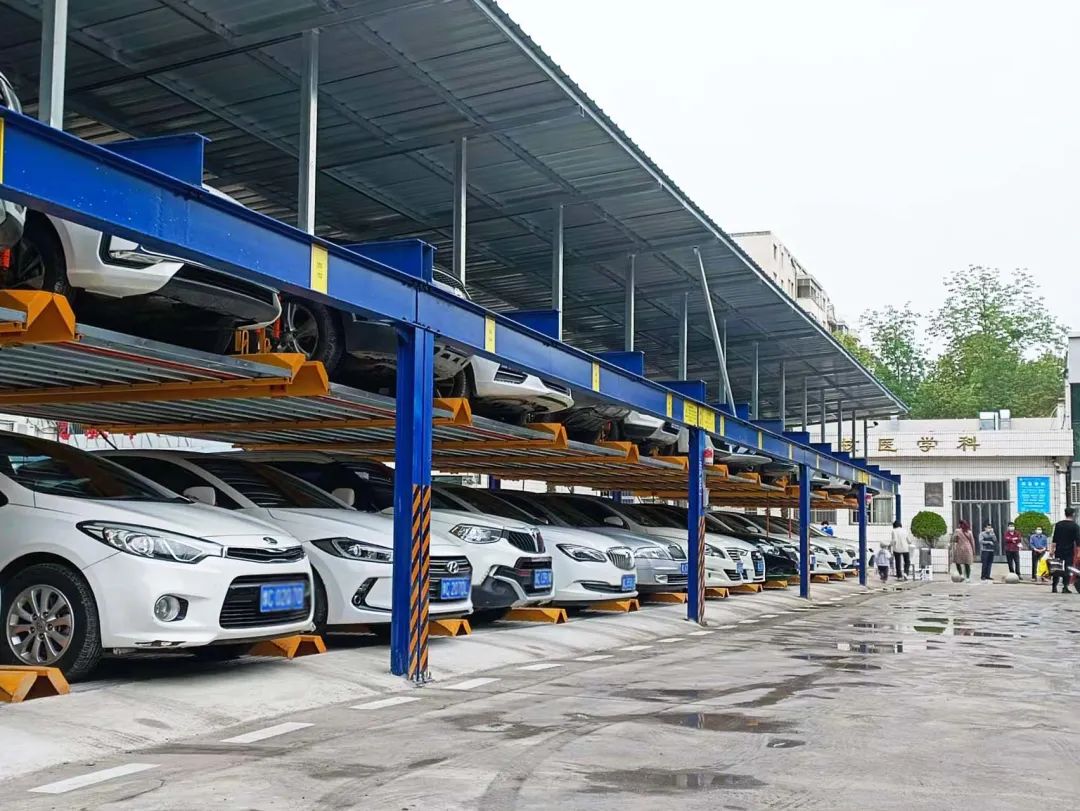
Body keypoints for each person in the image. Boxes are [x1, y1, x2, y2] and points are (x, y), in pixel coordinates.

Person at [1050, 507, 1080, 594]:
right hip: (1069, 551)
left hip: (1059, 550)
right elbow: (1078, 542)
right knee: (1067, 568)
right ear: (1073, 514)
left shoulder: (1058, 525)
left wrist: (1052, 550)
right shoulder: (1075, 526)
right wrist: (1079, 553)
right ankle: (1065, 587)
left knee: (1056, 567)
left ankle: (1054, 586)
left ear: (1065, 514)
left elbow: (1054, 539)